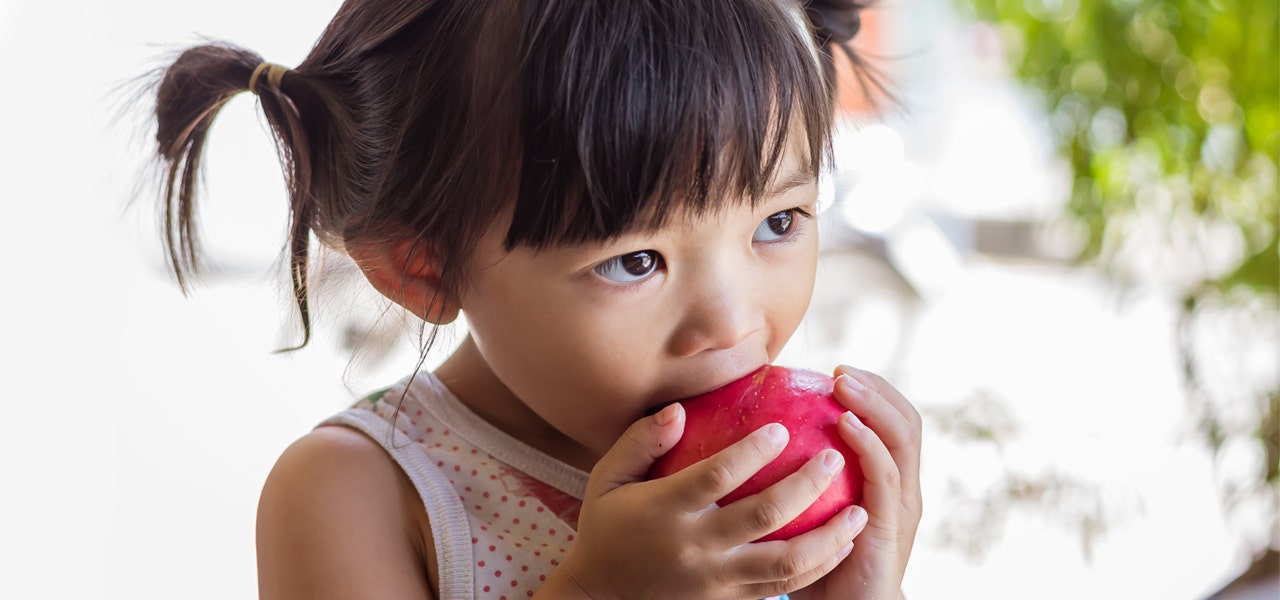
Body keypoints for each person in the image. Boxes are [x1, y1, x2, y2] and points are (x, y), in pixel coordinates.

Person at [143, 0, 922, 597]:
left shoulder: (763, 485)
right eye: (636, 260)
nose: (734, 320)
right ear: (423, 268)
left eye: (778, 221)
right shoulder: (356, 493)